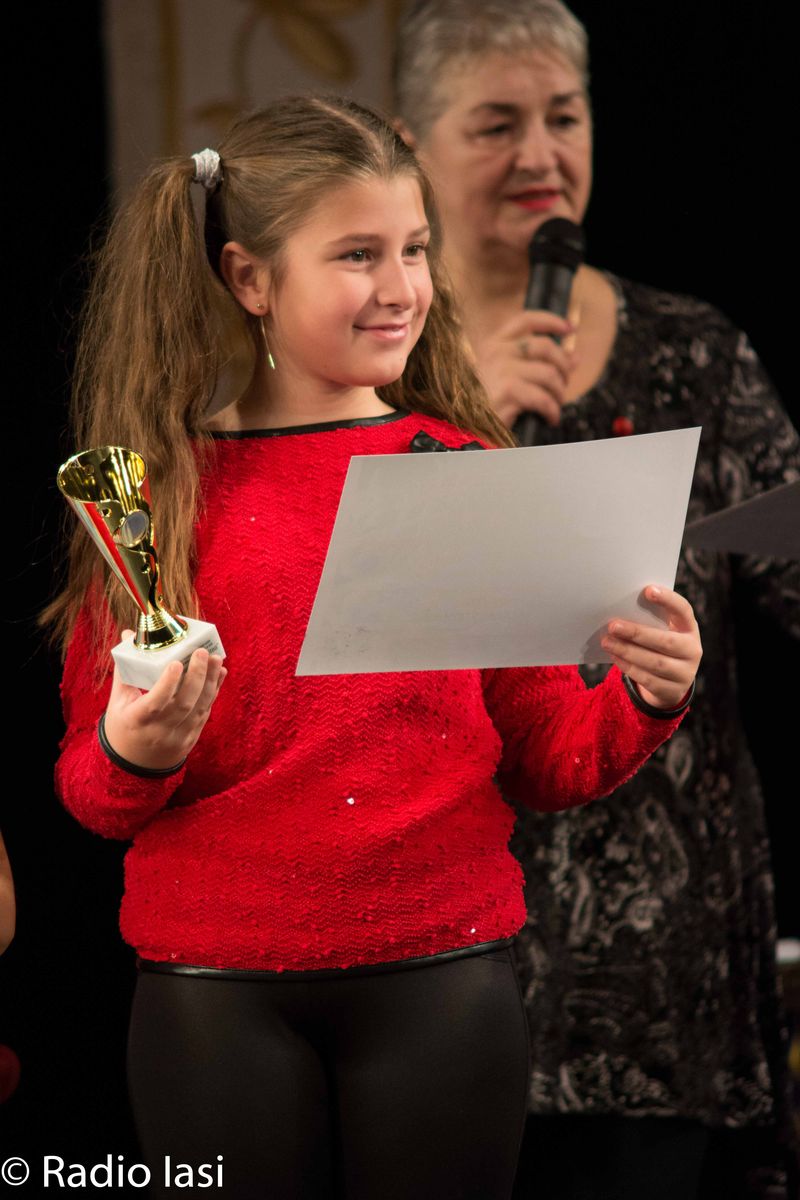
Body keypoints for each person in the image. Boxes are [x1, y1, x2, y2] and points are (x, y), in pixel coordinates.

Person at [47, 95, 701, 1200]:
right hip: (214, 988)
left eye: (413, 249)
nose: (400, 287)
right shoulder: (156, 493)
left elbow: (544, 756)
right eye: (357, 254)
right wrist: (135, 750)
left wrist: (643, 696)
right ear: (250, 278)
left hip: (442, 976)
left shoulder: (462, 468)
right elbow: (91, 789)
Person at [392, 3, 800, 1197]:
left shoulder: (689, 350)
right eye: (495, 124)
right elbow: (331, 630)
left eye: (562, 118)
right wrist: (459, 422)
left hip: (657, 967)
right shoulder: (360, 372)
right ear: (411, 147)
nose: (539, 155)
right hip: (430, 949)